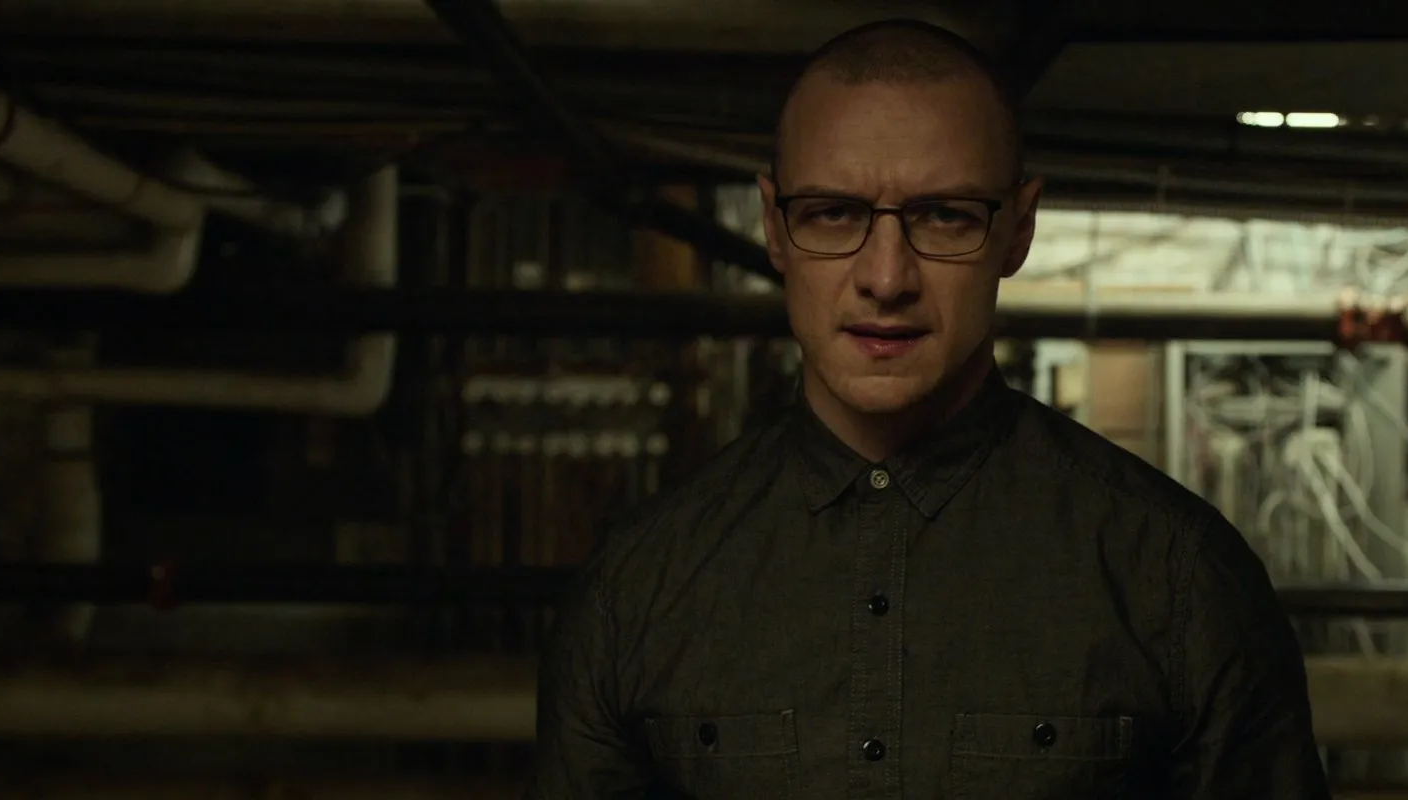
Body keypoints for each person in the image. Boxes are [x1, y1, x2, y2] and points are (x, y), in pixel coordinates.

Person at [529, 18, 1330, 800]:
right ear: (774, 227)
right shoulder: (636, 588)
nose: (886, 278)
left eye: (945, 215)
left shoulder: (1179, 578)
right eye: (833, 212)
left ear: (1018, 230)